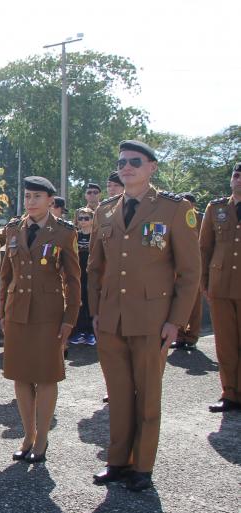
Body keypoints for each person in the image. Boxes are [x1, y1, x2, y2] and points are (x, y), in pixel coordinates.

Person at [87, 139, 201, 491]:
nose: (127, 167)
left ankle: (143, 467)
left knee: (148, 393)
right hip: (111, 319)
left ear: (152, 167)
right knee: (118, 393)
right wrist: (95, 313)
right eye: (122, 162)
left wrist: (175, 321)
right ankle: (118, 460)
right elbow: (95, 269)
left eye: (135, 161)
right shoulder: (105, 211)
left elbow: (190, 272)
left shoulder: (173, 209)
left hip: (153, 319)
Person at [0, 176, 80, 464]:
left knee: (46, 376)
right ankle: (28, 434)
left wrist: (70, 319)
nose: (30, 202)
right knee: (20, 375)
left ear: (50, 201)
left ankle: (43, 437)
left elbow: (73, 280)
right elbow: (5, 275)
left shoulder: (63, 232)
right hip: (17, 311)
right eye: (27, 196)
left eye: (37, 197)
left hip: (49, 314)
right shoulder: (12, 229)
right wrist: (2, 311)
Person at [199, 163, 241, 413]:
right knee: (225, 343)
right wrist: (204, 282)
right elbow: (204, 248)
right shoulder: (216, 208)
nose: (239, 180)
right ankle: (230, 393)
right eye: (236, 175)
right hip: (221, 285)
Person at [173, 193, 202, 350]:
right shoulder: (175, 216)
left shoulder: (198, 217)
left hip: (194, 265)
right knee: (177, 300)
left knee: (194, 303)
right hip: (177, 264)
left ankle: (191, 336)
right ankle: (179, 335)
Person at [70, 207, 96, 346]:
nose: (83, 221)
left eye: (87, 218)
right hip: (78, 274)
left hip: (92, 274)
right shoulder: (75, 235)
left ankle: (91, 331)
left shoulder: (97, 235)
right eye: (81, 218)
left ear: (93, 220)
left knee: (91, 302)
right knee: (79, 302)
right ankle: (79, 331)